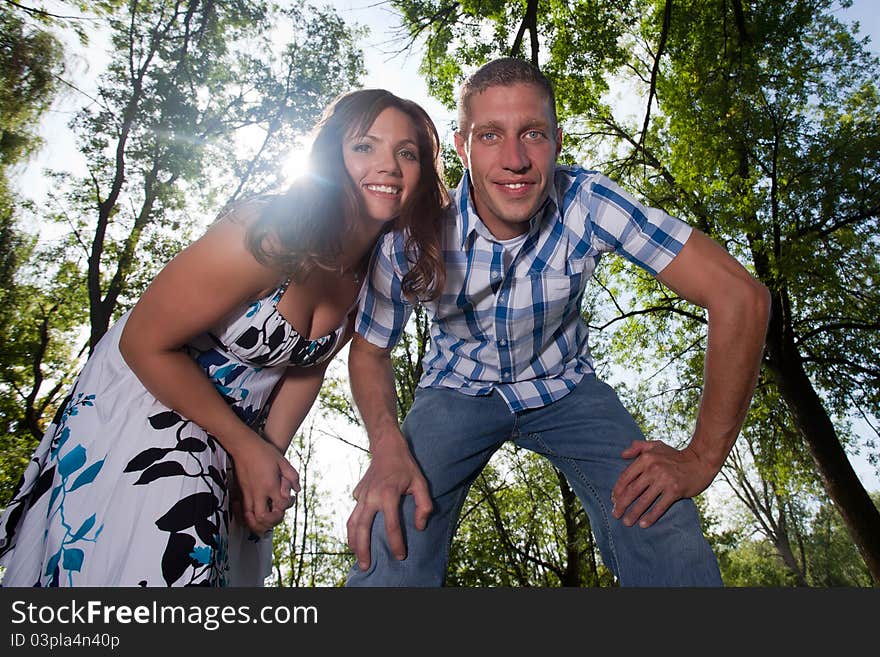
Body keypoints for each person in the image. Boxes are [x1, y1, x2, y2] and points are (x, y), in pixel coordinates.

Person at [345, 58, 771, 586]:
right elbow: (369, 349)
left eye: (533, 134)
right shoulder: (414, 234)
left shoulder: (587, 202)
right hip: (455, 388)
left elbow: (741, 298)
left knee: (662, 521)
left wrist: (703, 457)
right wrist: (385, 442)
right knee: (395, 523)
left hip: (566, 387)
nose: (516, 159)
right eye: (491, 136)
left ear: (558, 143)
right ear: (462, 148)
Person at [0, 88, 448, 587]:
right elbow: (143, 344)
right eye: (365, 146)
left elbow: (306, 369)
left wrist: (268, 456)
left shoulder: (376, 273)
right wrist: (243, 446)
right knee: (171, 555)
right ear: (332, 157)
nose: (388, 165)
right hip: (154, 394)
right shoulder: (269, 233)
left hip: (243, 434)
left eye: (406, 152)